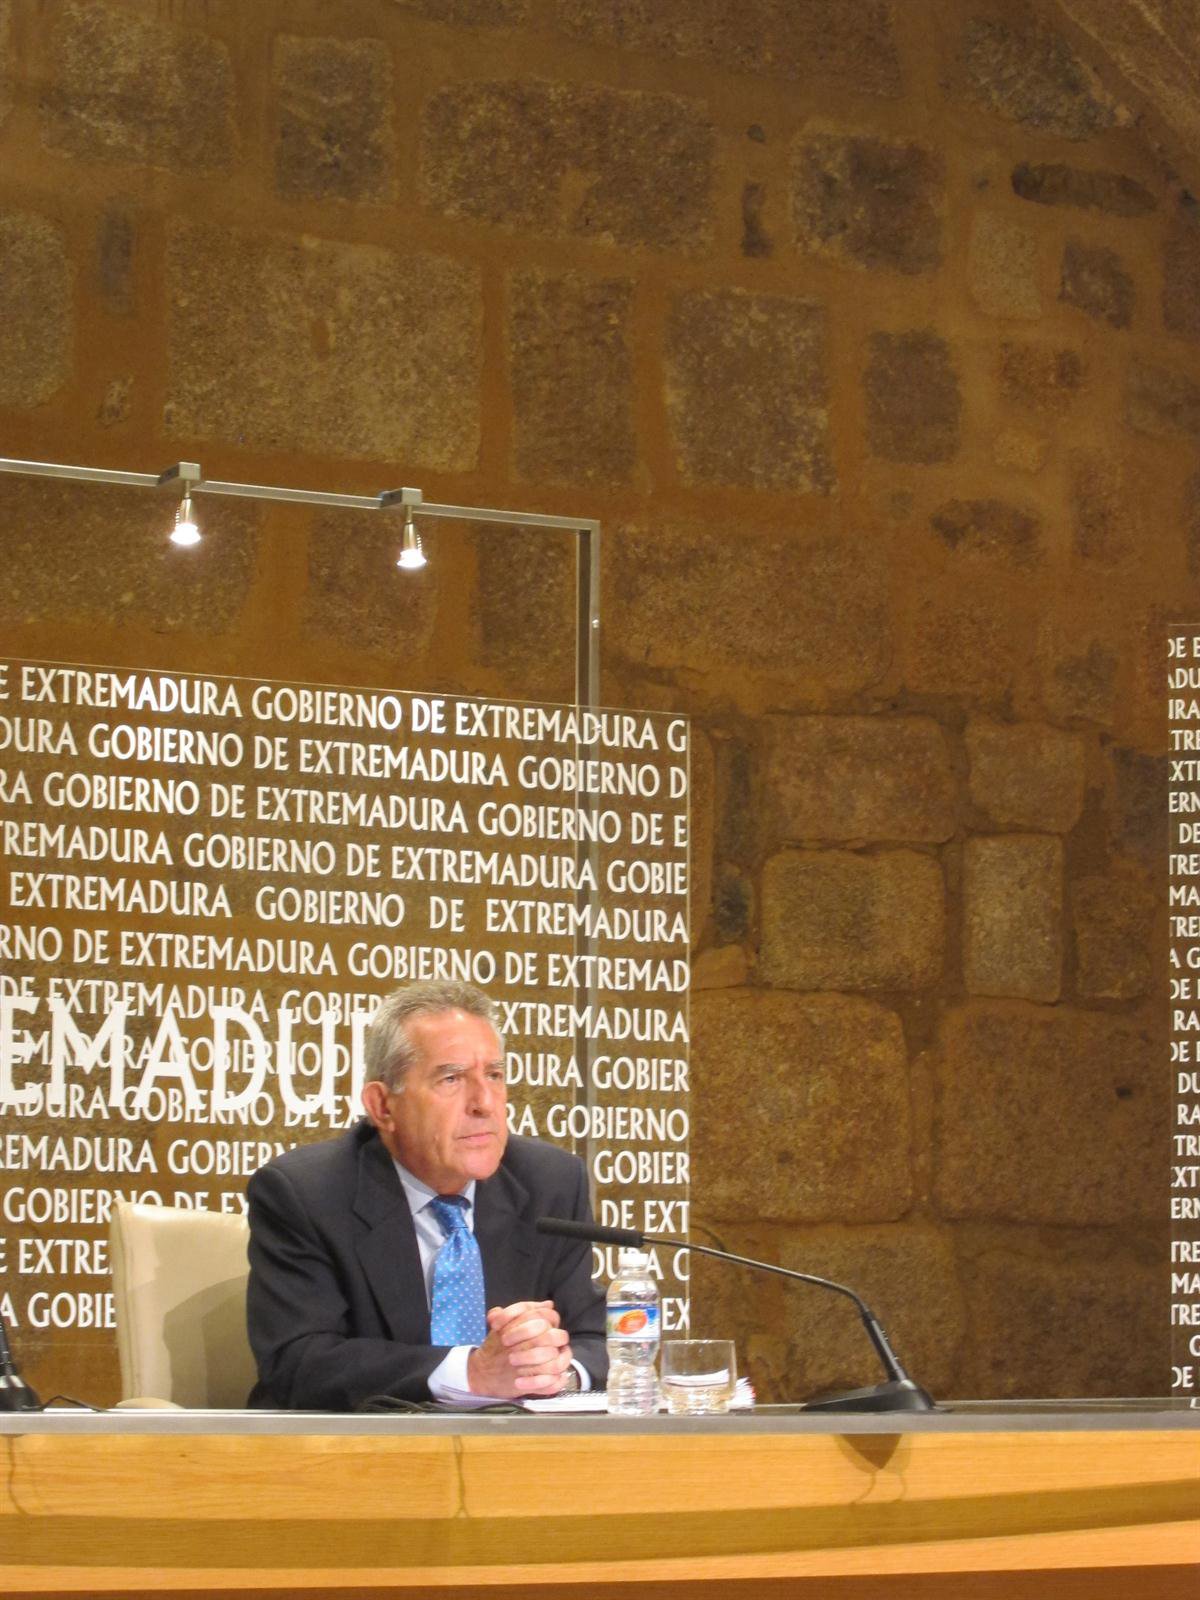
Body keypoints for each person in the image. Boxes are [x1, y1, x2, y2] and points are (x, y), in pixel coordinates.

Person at [245, 980, 607, 1410]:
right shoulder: (306, 1194)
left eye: (494, 1075)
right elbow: (298, 1362)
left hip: (517, 1445)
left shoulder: (550, 1182)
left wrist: (550, 1372)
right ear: (383, 1106)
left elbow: (598, 1339)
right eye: (451, 1078)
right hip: (363, 1445)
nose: (484, 1102)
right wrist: (471, 1374)